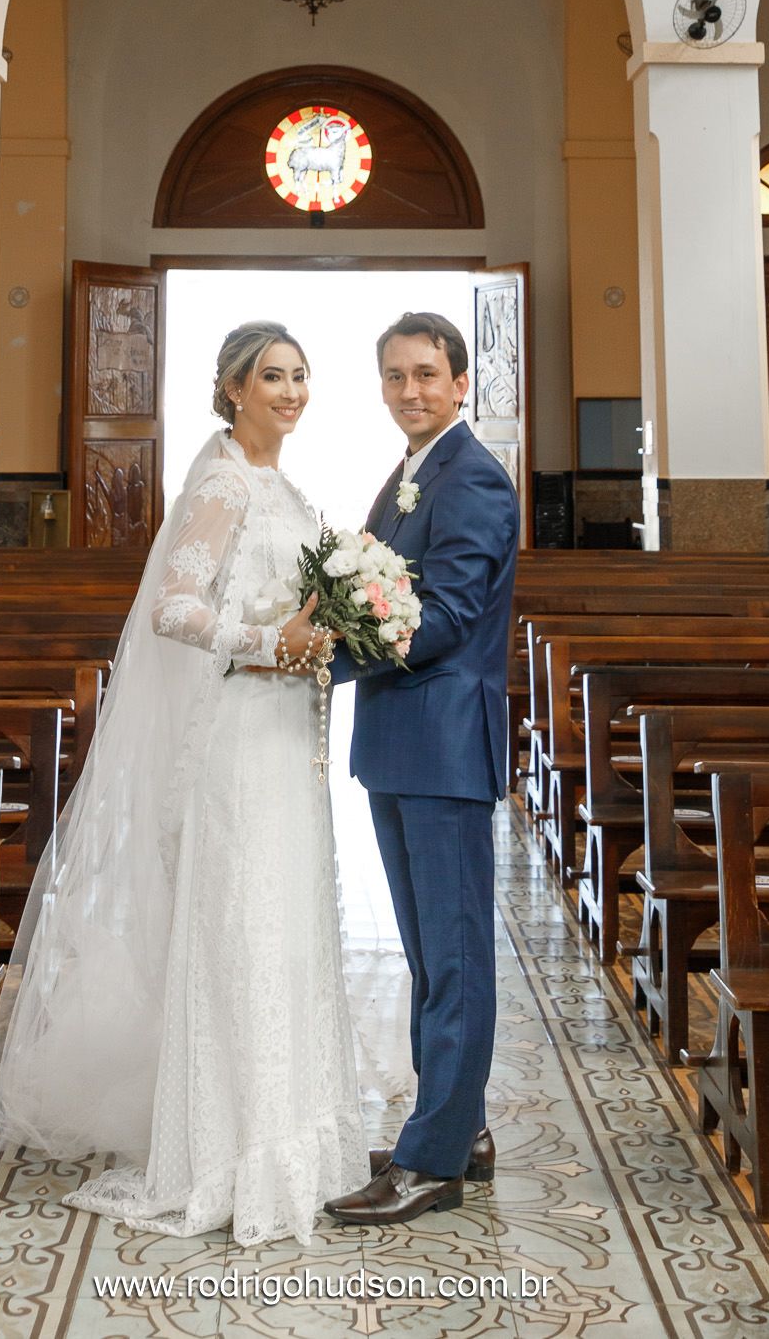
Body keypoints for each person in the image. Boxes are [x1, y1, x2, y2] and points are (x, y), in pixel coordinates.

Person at [0, 320, 370, 1245]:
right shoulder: (221, 481)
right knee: (242, 918)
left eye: (300, 376)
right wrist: (261, 645)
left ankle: (290, 1132)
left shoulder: (282, 485)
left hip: (287, 731)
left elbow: (292, 600)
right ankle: (227, 1145)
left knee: (286, 919)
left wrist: (328, 627)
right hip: (239, 731)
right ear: (233, 389)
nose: (289, 392)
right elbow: (174, 609)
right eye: (271, 376)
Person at [320, 311, 520, 1227]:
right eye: (396, 376)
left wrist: (325, 657)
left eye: (427, 375)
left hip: (442, 744)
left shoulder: (472, 477)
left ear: (459, 381)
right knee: (428, 957)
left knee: (454, 956)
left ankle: (433, 1158)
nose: (410, 390)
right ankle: (460, 1126)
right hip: (402, 740)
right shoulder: (411, 474)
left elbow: (443, 615)